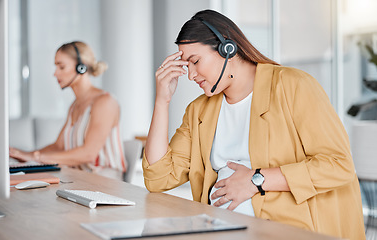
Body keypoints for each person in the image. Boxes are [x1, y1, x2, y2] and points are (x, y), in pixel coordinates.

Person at [142, 9, 365, 240]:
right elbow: (157, 178)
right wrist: (162, 101)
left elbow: (339, 165)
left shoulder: (293, 85)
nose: (191, 75)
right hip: (216, 230)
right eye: (186, 66)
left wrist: (255, 180)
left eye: (195, 61)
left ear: (227, 48)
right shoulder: (199, 110)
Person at [10, 41, 126, 180]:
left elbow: (89, 153)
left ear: (81, 68)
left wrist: (36, 157)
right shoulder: (75, 106)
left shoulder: (105, 102)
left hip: (105, 182)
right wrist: (24, 155)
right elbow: (59, 146)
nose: (55, 73)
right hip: (80, 178)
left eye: (61, 67)